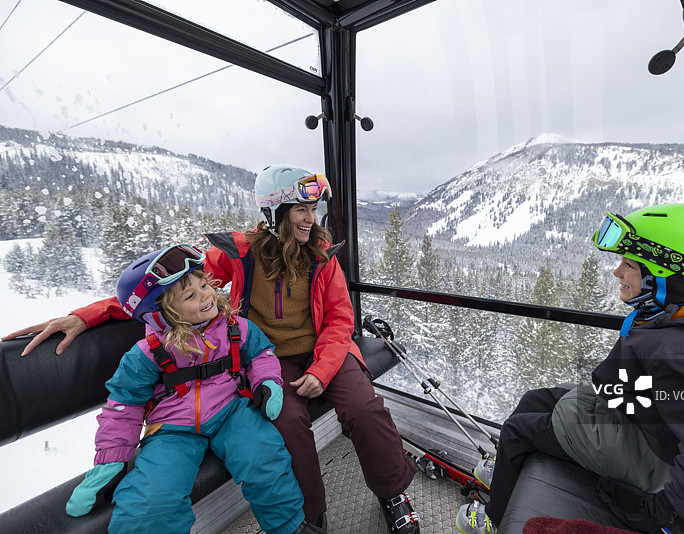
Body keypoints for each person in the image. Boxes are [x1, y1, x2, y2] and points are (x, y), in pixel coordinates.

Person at [4, 166, 419, 534]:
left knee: (365, 408)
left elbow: (340, 321)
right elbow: (167, 288)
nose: (311, 219)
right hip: (271, 360)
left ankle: (393, 493)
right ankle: (308, 518)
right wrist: (88, 315)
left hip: (327, 353)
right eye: (300, 210)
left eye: (314, 209)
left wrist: (324, 370)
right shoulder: (241, 254)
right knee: (288, 425)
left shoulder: (322, 260)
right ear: (275, 215)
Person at [455, 203, 684, 534]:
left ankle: (495, 521)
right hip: (644, 422)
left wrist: (670, 518)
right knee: (536, 398)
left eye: (630, 265)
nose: (617, 272)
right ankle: (509, 467)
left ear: (670, 277)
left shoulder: (683, 353)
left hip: (657, 459)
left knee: (520, 430)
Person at [64, 244, 323, 534]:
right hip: (173, 429)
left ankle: (289, 528)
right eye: (190, 295)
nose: (206, 295)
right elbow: (124, 404)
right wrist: (110, 460)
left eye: (204, 284)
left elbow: (262, 355)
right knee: (152, 498)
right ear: (161, 314)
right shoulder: (146, 354)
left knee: (265, 458)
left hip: (232, 411)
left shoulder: (236, 328)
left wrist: (267, 383)